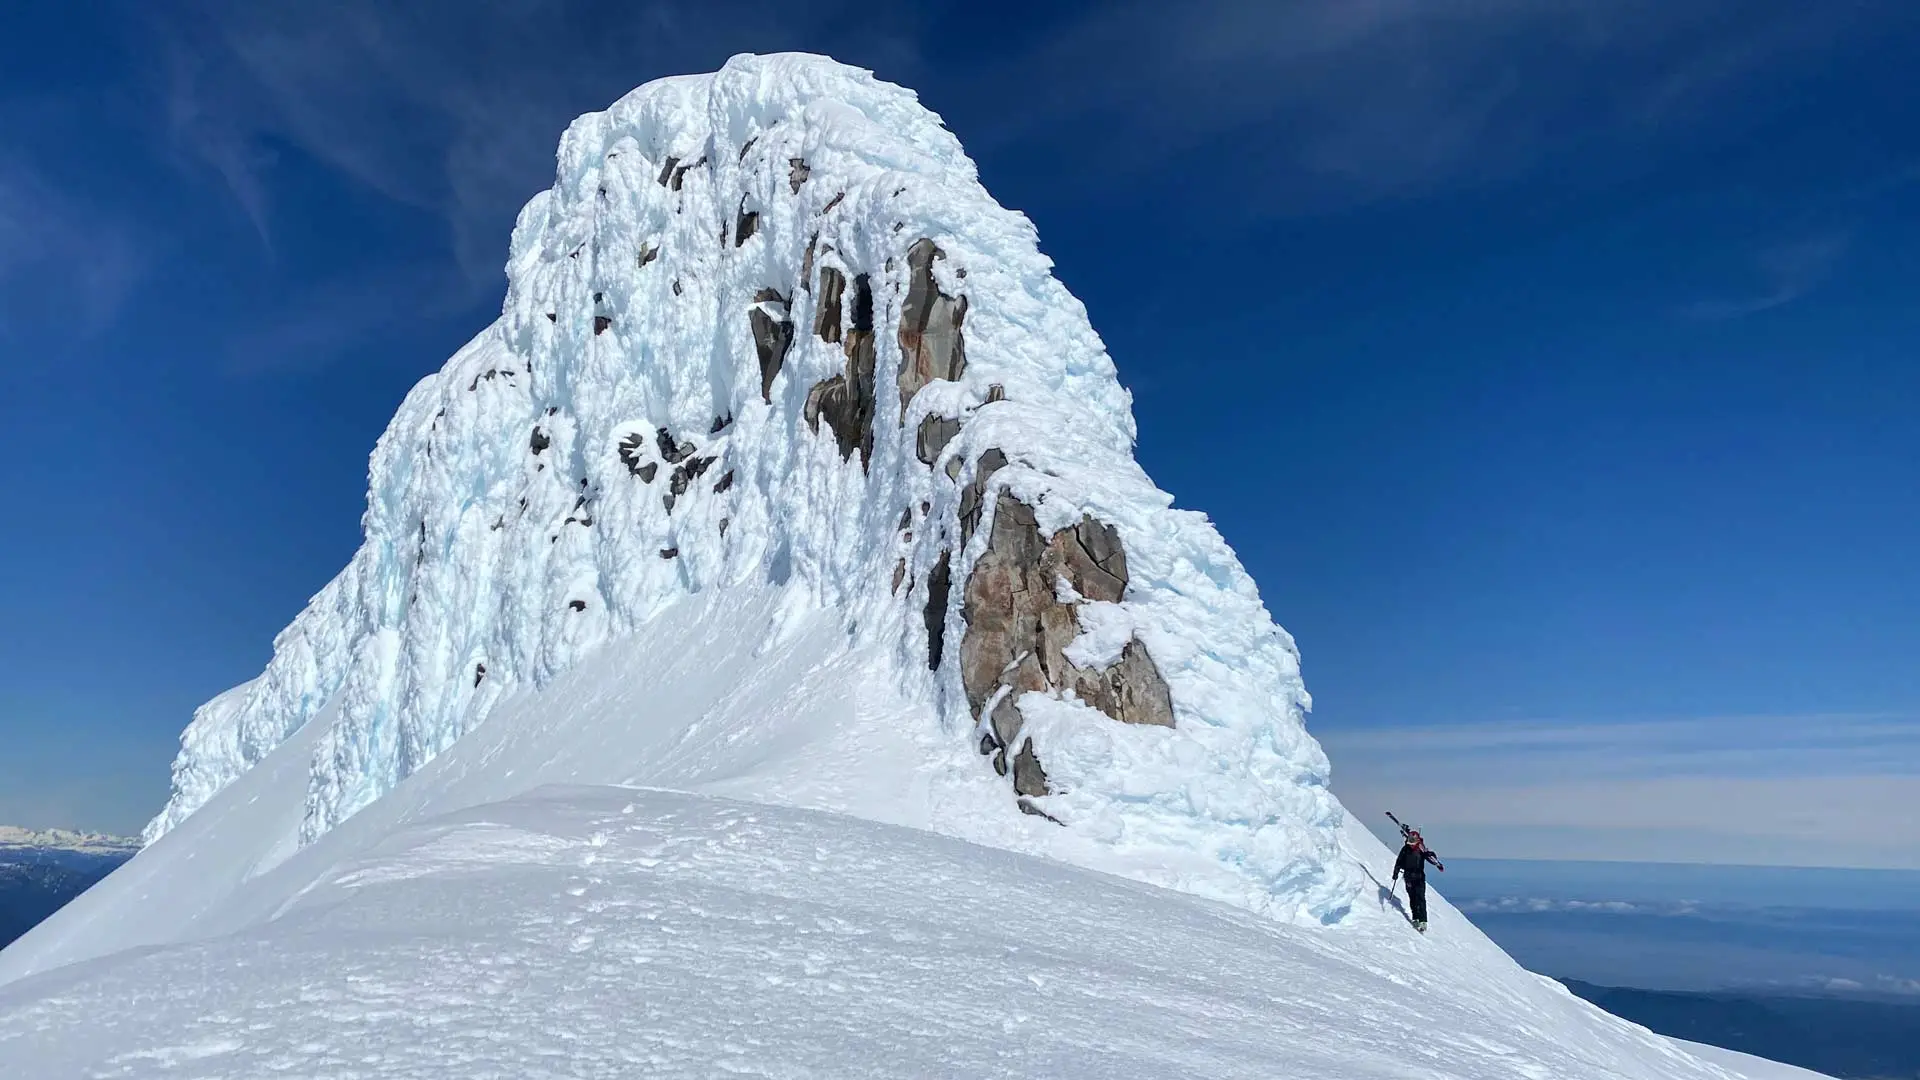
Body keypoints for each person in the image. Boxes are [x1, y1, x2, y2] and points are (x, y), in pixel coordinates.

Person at [1392, 828, 1444, 932]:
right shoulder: (1405, 849)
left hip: (1419, 877)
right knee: (1412, 898)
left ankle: (1423, 920)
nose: (1411, 844)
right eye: (1410, 841)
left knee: (1421, 898)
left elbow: (1430, 857)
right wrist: (1395, 873)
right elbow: (1399, 861)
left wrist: (1434, 859)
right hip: (1408, 877)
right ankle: (1415, 917)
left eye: (1413, 841)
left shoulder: (1421, 849)